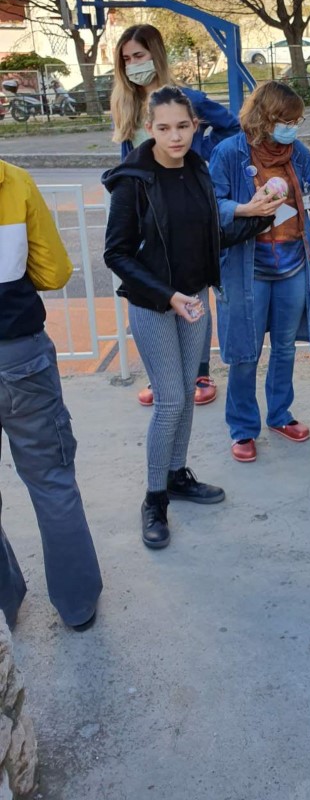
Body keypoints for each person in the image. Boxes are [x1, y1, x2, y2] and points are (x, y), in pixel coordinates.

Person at [103, 86, 272, 548]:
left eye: (183, 126)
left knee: (185, 398)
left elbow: (209, 235)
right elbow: (116, 254)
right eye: (164, 128)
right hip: (154, 303)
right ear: (149, 129)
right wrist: (168, 295)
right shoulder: (133, 180)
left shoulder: (197, 168)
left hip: (194, 298)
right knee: (171, 401)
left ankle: (176, 475)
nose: (174, 136)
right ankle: (154, 499)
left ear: (196, 126)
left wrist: (258, 217)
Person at [209, 81, 310, 462]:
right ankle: (242, 428)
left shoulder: (296, 153)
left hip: (293, 265)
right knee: (245, 353)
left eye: (297, 121)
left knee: (285, 347)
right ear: (265, 118)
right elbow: (211, 204)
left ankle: (280, 414)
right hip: (247, 268)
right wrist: (244, 209)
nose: (293, 128)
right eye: (287, 121)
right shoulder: (229, 152)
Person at [111, 23, 241, 407]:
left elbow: (230, 126)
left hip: (185, 200)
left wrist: (200, 154)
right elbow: (128, 161)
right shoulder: (127, 104)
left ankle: (199, 371)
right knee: (153, 285)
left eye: (139, 55)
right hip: (147, 208)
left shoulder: (187, 99)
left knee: (193, 283)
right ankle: (163, 374)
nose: (133, 64)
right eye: (126, 59)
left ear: (155, 54)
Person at [0, 160, 102, 630]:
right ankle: (77, 605)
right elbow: (55, 271)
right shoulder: (14, 181)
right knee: (51, 480)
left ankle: (5, 607)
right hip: (20, 354)